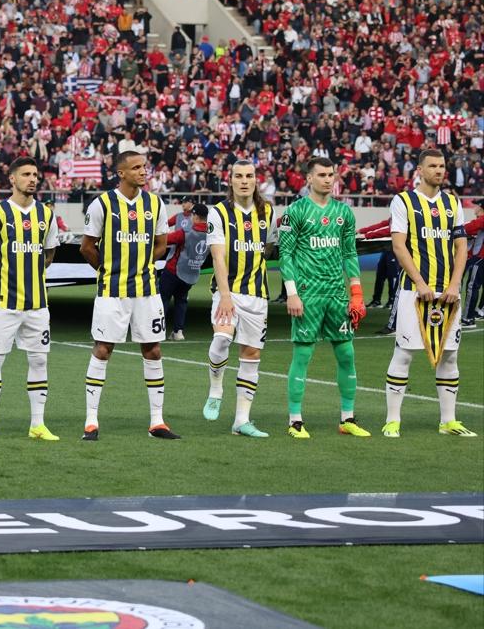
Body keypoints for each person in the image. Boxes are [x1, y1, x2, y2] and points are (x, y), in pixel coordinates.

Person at [79, 150, 177, 441]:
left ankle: (157, 422)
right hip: (112, 291)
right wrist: (108, 269)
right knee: (103, 349)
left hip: (147, 291)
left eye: (144, 167)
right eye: (136, 168)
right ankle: (91, 421)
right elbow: (87, 246)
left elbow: (161, 244)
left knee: (153, 350)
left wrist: (142, 263)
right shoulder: (103, 204)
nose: (143, 172)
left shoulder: (154, 203)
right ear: (121, 173)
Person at [381, 150, 475, 437]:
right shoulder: (404, 201)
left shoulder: (452, 202)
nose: (439, 170)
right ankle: (392, 420)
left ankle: (448, 421)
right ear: (419, 170)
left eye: (442, 165)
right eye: (432, 166)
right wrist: (420, 282)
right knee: (405, 353)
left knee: (449, 356)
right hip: (414, 291)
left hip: (447, 292)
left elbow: (461, 247)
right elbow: (399, 245)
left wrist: (455, 284)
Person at [278, 156, 368, 439]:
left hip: (336, 296)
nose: (328, 179)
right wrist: (292, 294)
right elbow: (285, 255)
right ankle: (295, 420)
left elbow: (350, 253)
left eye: (331, 174)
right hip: (308, 295)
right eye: (322, 175)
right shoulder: (295, 212)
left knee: (347, 354)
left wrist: (356, 293)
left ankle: (347, 418)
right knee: (303, 355)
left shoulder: (344, 212)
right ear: (309, 178)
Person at [0, 157, 60, 442]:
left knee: (39, 361)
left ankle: (37, 424)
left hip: (37, 304)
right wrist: (3, 280)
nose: (33, 179)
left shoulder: (46, 215)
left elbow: (49, 254)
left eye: (35, 174)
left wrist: (32, 275)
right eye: (26, 174)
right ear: (12, 179)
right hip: (3, 303)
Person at [202, 160, 275, 438]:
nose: (245, 181)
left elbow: (267, 248)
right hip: (228, 292)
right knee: (221, 338)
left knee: (251, 355)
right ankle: (216, 387)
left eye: (250, 176)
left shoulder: (267, 211)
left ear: (256, 180)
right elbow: (218, 256)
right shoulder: (218, 213)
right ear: (229, 180)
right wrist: (224, 295)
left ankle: (241, 421)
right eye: (239, 176)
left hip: (258, 295)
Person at [160, 203, 209, 341]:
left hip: (173, 271)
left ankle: (159, 330)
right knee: (181, 302)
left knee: (163, 299)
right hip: (192, 273)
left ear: (196, 216)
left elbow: (166, 240)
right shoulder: (212, 235)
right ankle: (178, 331)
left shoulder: (186, 232)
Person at [462, 201, 484, 328]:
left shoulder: (482, 220)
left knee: (472, 286)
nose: (474, 207)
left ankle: (468, 318)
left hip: (481, 258)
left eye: (476, 205)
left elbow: (469, 228)